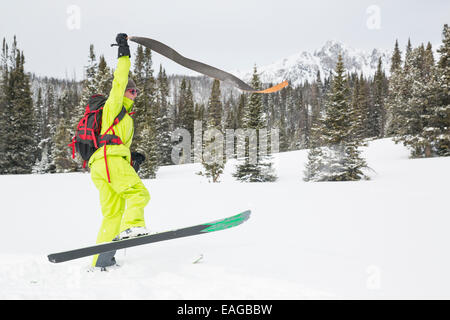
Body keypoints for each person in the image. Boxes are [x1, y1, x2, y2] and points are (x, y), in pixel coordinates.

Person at [89, 33, 150, 269]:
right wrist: (124, 52)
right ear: (124, 91)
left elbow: (113, 140)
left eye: (136, 92)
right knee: (139, 194)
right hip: (109, 161)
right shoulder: (113, 105)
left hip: (101, 164)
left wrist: (130, 156)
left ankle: (99, 260)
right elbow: (119, 79)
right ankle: (132, 227)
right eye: (132, 91)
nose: (135, 95)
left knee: (112, 214)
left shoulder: (125, 117)